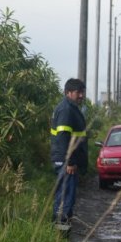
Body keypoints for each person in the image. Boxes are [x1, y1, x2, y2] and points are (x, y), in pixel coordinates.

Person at [50, 78, 88, 231]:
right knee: (65, 198)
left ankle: (63, 235)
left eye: (82, 92)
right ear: (68, 93)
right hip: (66, 162)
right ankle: (60, 238)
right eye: (78, 92)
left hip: (67, 162)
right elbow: (63, 139)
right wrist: (70, 161)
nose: (81, 96)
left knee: (67, 197)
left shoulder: (71, 108)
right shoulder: (66, 110)